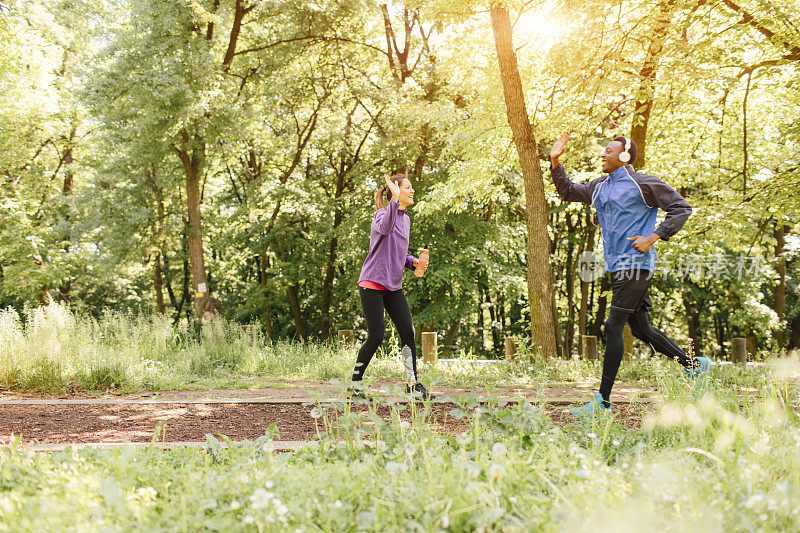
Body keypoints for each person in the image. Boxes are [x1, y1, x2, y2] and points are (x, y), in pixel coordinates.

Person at [549, 132, 711, 418]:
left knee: (613, 327)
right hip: (617, 266)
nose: (603, 154)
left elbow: (681, 208)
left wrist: (654, 237)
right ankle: (695, 367)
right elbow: (568, 192)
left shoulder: (644, 183)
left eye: (609, 150)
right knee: (641, 329)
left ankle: (602, 402)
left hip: (636, 264)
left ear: (624, 156)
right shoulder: (600, 187)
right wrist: (555, 161)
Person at [349, 172, 433, 400]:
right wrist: (394, 201)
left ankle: (412, 385)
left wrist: (413, 261)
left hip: (393, 286)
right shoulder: (381, 215)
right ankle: (355, 387)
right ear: (396, 192)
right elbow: (385, 229)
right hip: (372, 283)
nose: (412, 191)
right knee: (376, 336)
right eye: (408, 188)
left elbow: (397, 251)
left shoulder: (406, 220)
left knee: (408, 332)